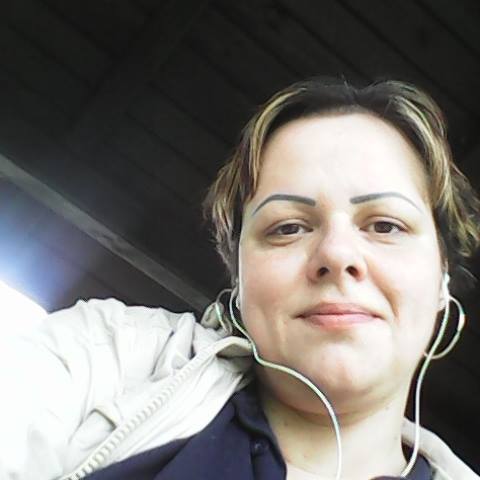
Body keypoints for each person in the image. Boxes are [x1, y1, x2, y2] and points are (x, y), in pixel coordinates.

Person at [1, 78, 479, 480]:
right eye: (288, 228)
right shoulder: (105, 357)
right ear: (239, 275)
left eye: (386, 226)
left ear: (441, 277)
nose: (336, 254)